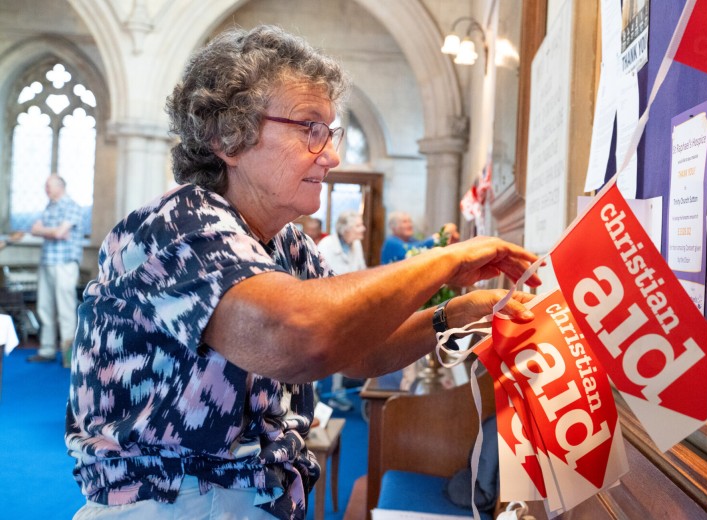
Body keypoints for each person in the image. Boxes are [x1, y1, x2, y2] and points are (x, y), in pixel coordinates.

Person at [65, 25, 538, 520]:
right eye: (309, 128)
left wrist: (455, 313)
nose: (331, 156)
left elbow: (357, 350)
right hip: (170, 504)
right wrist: (446, 259)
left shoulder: (288, 241)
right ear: (229, 136)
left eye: (329, 133)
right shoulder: (176, 224)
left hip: (254, 498)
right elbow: (297, 338)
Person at [27, 174, 83, 367]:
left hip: (65, 263)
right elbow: (38, 230)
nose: (46, 190)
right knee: (44, 308)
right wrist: (52, 232)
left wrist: (46, 230)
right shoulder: (49, 206)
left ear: (60, 186)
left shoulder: (72, 206)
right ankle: (47, 349)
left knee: (66, 310)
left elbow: (60, 233)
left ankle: (68, 357)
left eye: (48, 186)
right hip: (47, 262)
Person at [316, 210, 367, 410]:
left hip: (348, 305)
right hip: (325, 306)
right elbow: (317, 280)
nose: (362, 229)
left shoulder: (356, 244)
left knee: (342, 350)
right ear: (345, 228)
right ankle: (310, 394)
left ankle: (336, 392)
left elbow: (360, 271)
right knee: (317, 353)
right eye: (358, 225)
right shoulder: (326, 246)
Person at [380, 211, 459, 264]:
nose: (409, 225)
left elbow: (427, 251)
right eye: (404, 222)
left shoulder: (411, 240)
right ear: (393, 227)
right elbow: (414, 250)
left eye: (410, 221)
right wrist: (439, 236)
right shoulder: (391, 243)